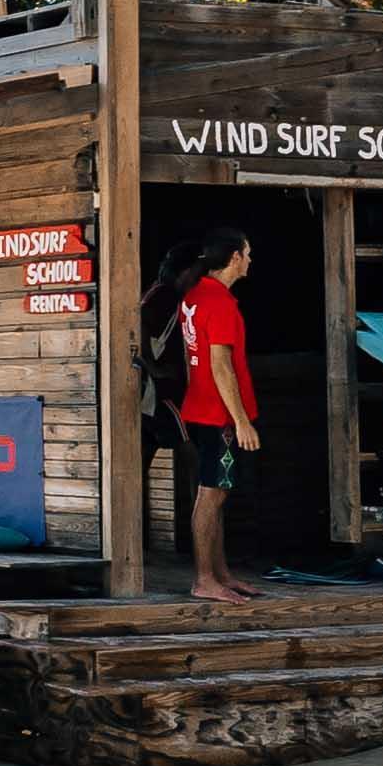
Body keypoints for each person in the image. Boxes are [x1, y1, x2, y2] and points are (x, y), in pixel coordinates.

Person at [159, 222, 263, 603]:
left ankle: (220, 573)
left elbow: (193, 360)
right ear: (234, 257)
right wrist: (240, 420)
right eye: (248, 254)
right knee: (210, 494)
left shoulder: (194, 296)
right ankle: (204, 579)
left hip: (201, 407)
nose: (250, 260)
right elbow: (220, 364)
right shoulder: (218, 302)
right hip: (218, 415)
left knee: (218, 492)